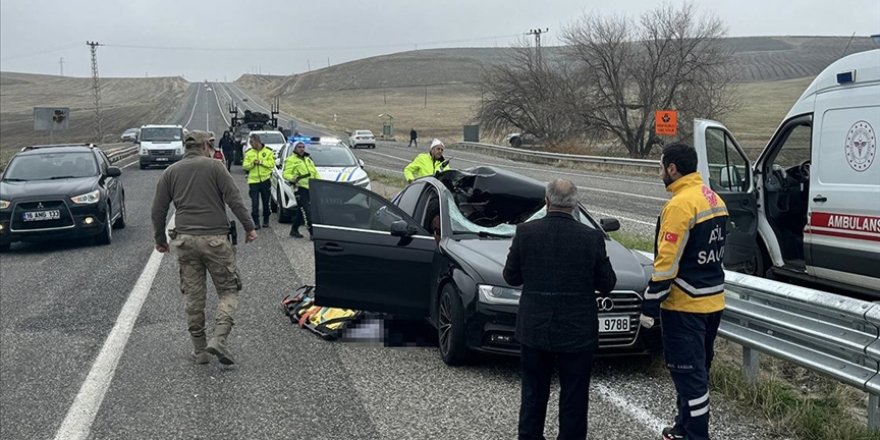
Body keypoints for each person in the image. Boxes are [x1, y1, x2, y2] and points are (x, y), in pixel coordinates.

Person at [503, 179, 616, 440]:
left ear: (547, 201)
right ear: (574, 204)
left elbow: (511, 277)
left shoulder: (525, 232)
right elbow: (607, 283)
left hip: (534, 328)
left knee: (533, 394)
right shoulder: (591, 237)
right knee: (574, 397)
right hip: (577, 331)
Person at [639, 143, 728, 440]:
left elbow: (667, 263)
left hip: (685, 306)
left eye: (661, 167)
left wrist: (649, 306)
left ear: (673, 169)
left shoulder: (680, 205)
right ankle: (682, 428)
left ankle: (694, 435)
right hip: (712, 301)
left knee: (689, 378)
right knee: (696, 374)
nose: (660, 173)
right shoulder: (713, 198)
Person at [151, 130, 258, 366]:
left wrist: (160, 239)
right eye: (210, 144)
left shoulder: (171, 172)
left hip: (185, 241)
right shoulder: (216, 167)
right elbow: (234, 199)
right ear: (204, 145)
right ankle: (218, 339)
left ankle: (199, 350)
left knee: (194, 296)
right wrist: (249, 227)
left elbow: (158, 210)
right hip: (215, 240)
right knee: (228, 290)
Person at [282, 141, 320, 238]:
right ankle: (312, 232)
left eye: (303, 147)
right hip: (299, 188)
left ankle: (294, 230)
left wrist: (319, 183)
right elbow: (285, 174)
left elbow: (315, 173)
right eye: (299, 147)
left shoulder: (308, 159)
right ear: (295, 149)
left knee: (301, 210)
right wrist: (293, 178)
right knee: (307, 210)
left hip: (310, 188)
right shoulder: (291, 160)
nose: (302, 149)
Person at [242, 133, 275, 229]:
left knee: (266, 203)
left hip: (265, 180)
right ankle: (256, 222)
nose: (251, 144)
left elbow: (271, 164)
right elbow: (245, 165)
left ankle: (266, 219)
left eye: (252, 142)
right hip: (253, 181)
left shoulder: (268, 151)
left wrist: (261, 162)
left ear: (257, 141)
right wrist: (253, 163)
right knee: (255, 203)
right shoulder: (249, 153)